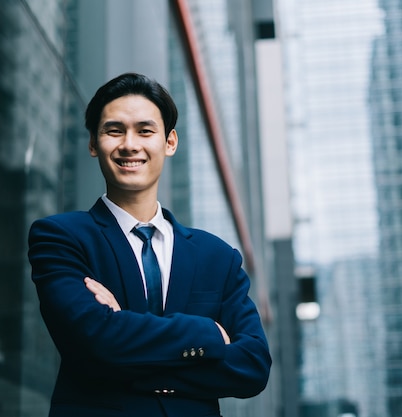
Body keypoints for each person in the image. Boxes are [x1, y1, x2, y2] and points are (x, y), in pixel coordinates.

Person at [28, 72, 271, 417]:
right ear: (94, 143)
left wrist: (124, 338)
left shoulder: (218, 258)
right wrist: (209, 334)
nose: (130, 144)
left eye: (145, 131)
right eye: (114, 130)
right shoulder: (60, 238)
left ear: (170, 142)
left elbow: (253, 365)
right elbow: (95, 339)